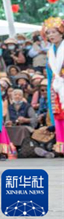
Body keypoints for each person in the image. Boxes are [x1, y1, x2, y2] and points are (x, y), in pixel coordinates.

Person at [42, 17, 64, 155]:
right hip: (56, 87)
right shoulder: (50, 52)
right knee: (60, 116)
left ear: (61, 32)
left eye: (53, 32)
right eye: (48, 32)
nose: (50, 35)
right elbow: (50, 76)